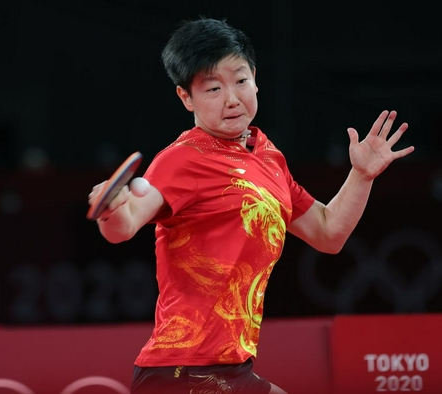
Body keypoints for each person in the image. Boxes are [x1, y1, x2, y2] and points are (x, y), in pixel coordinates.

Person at [88, 16, 414, 394]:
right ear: (185, 97)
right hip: (182, 372)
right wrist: (110, 209)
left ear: (255, 77)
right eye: (212, 88)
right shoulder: (182, 159)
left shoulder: (268, 155)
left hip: (232, 370)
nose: (232, 98)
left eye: (241, 81)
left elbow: (329, 233)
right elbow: (125, 226)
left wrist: (361, 176)